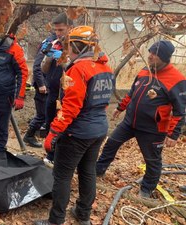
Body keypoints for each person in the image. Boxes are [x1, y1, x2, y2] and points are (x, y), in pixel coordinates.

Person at [35, 26, 114, 225]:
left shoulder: (79, 69)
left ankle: (56, 220)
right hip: (98, 128)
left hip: (77, 132)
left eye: (69, 46)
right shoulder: (104, 67)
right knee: (88, 171)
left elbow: (70, 106)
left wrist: (53, 132)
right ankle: (83, 214)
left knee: (62, 175)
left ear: (78, 47)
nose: (67, 50)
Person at [96, 40, 186, 198]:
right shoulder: (145, 70)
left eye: (155, 54)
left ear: (165, 58)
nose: (150, 56)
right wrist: (120, 108)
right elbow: (132, 92)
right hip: (130, 122)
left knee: (152, 160)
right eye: (150, 52)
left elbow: (181, 110)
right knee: (111, 143)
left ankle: (147, 189)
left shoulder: (177, 80)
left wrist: (173, 134)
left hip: (153, 129)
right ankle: (98, 170)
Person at [23, 13, 73, 151]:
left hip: (68, 93)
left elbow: (76, 70)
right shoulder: (52, 43)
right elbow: (41, 68)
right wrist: (49, 58)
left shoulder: (76, 45)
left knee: (64, 126)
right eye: (55, 30)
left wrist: (64, 60)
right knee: (48, 121)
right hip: (52, 92)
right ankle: (50, 153)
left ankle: (60, 153)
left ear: (70, 27)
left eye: (61, 30)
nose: (57, 33)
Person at [0, 33, 28, 155]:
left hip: (4, 96)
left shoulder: (14, 49)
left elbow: (23, 73)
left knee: (2, 128)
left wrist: (20, 96)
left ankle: (0, 153)